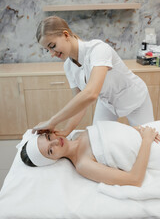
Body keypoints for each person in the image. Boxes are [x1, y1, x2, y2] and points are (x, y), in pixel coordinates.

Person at [33, 16, 154, 136]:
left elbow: (91, 93)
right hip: (108, 104)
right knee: (97, 139)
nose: (52, 53)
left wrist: (51, 122)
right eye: (47, 49)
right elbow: (80, 104)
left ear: (65, 35)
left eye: (52, 46)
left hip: (135, 98)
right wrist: (66, 131)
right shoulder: (68, 66)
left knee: (149, 140)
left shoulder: (98, 50)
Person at [20, 121, 160, 187]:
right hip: (152, 148)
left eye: (49, 138)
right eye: (50, 150)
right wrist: (147, 140)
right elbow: (134, 179)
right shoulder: (83, 164)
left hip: (150, 131)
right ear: (52, 160)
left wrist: (139, 130)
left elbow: (117, 132)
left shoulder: (78, 134)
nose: (55, 142)